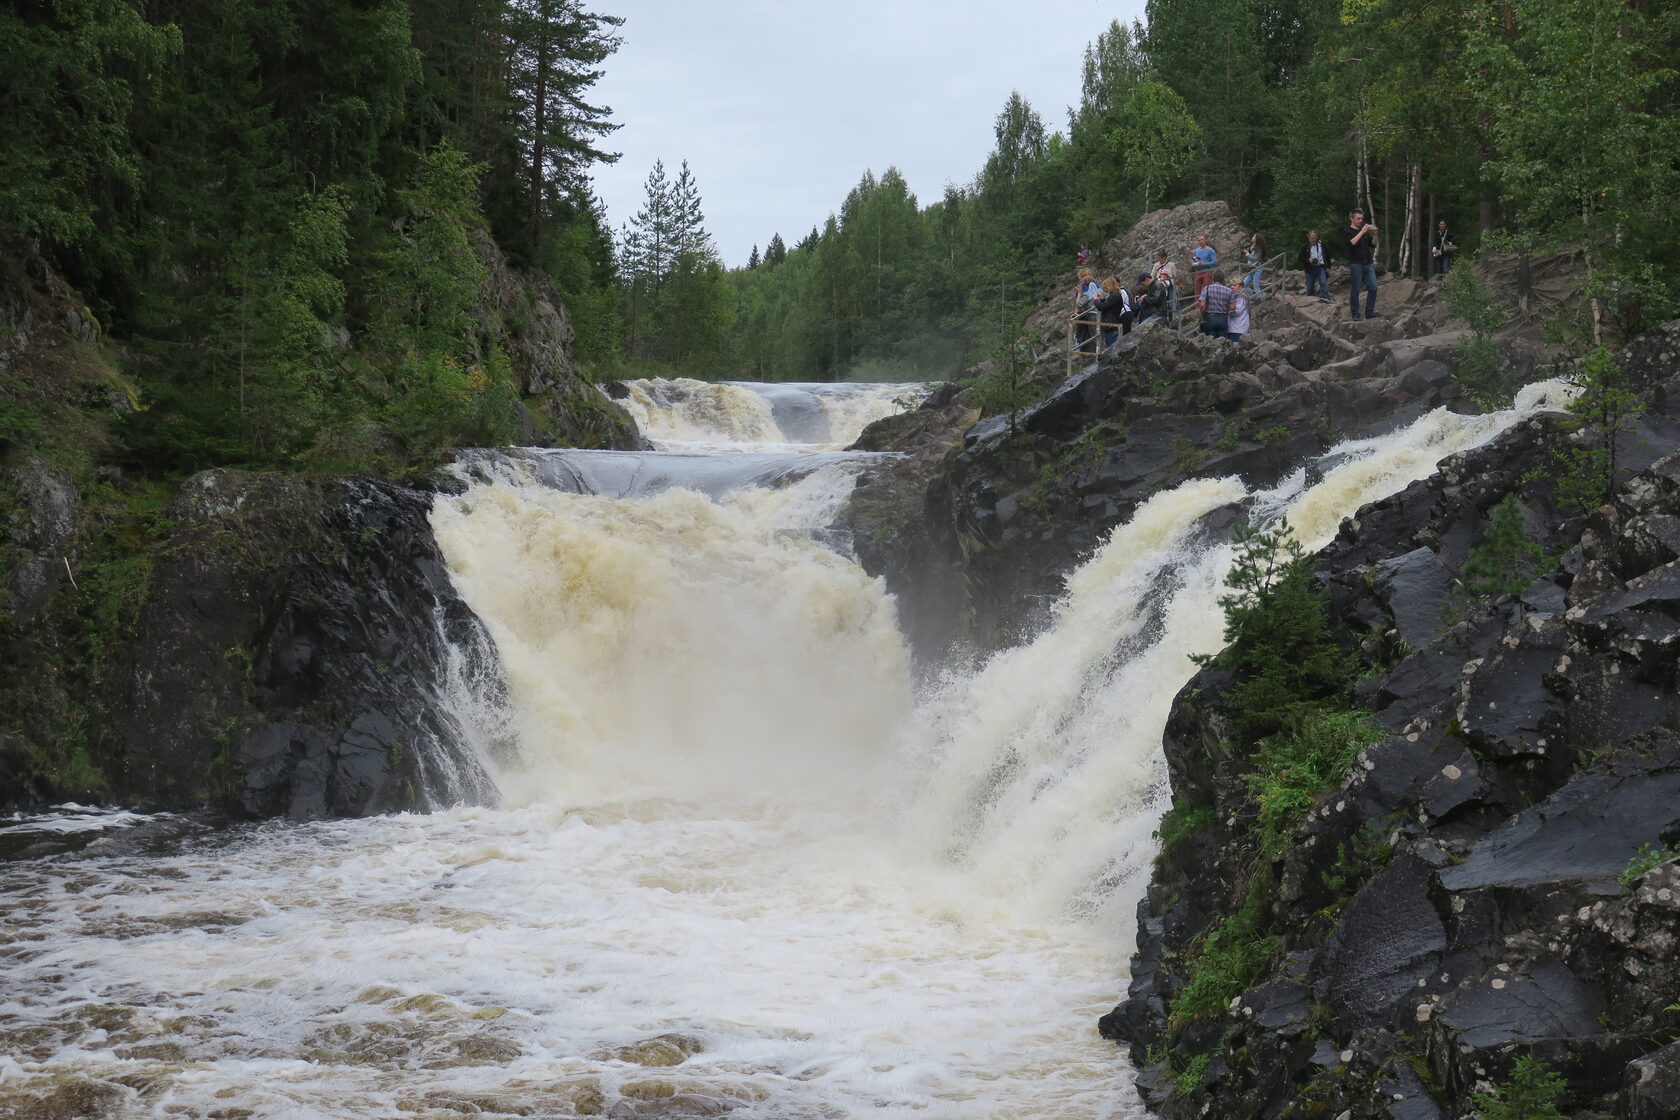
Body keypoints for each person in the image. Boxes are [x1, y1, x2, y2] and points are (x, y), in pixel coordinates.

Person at [1343, 209, 1378, 320]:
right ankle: (1355, 314)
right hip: (1356, 264)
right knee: (1356, 289)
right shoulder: (1348, 231)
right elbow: (1351, 243)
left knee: (1373, 287)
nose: (1360, 220)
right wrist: (1361, 232)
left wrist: (1375, 234)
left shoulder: (1365, 233)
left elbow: (1373, 245)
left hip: (1368, 263)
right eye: (1358, 218)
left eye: (1361, 218)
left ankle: (1369, 312)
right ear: (1351, 218)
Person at [1094, 276, 1133, 348]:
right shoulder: (1115, 295)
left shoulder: (1114, 296)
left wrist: (1096, 300)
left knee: (1111, 346)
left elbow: (1102, 307)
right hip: (1113, 321)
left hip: (1111, 323)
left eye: (1106, 287)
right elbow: (1107, 304)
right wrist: (1101, 300)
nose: (1105, 290)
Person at [1071, 267, 1102, 356]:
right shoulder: (1096, 285)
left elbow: (1079, 302)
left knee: (1086, 335)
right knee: (1094, 335)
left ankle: (1089, 354)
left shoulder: (1083, 287)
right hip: (1094, 313)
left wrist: (1076, 313)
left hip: (1088, 314)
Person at [1198, 269, 1235, 337]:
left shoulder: (1207, 288)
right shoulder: (1229, 290)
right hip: (1223, 319)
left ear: (1213, 278)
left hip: (1210, 318)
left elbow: (1202, 305)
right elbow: (1233, 307)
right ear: (1223, 279)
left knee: (1211, 343)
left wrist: (1202, 317)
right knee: (1223, 342)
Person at [1298, 231, 1330, 301]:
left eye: (1315, 238)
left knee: (1323, 282)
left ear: (1317, 238)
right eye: (1312, 238)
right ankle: (1310, 300)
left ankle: (1325, 298)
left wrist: (1328, 267)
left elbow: (1327, 256)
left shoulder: (1322, 245)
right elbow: (1300, 258)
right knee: (1310, 286)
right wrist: (1308, 260)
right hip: (1310, 268)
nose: (1313, 240)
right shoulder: (1305, 247)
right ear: (1309, 238)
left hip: (1321, 267)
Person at [1243, 232, 1268, 297]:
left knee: (1256, 286)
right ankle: (1254, 298)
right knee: (1244, 285)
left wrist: (1247, 254)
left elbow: (1255, 259)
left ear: (1257, 239)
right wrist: (1248, 253)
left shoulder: (1259, 248)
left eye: (1254, 236)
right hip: (1252, 268)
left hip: (1257, 268)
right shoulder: (1254, 246)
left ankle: (1260, 299)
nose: (1252, 237)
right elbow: (1253, 257)